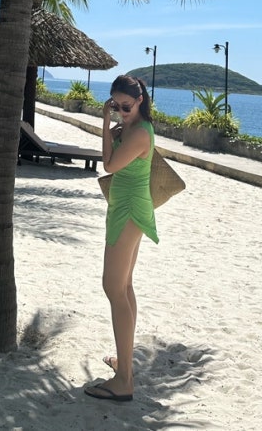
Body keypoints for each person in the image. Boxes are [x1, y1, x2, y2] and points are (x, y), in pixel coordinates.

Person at [84, 74, 158, 403]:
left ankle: (124, 379)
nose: (121, 112)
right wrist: (115, 127)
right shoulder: (129, 128)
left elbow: (109, 165)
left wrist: (104, 123)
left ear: (140, 101)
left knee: (112, 287)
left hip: (129, 210)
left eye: (126, 107)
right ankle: (124, 362)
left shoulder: (140, 132)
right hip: (126, 207)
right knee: (124, 287)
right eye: (116, 106)